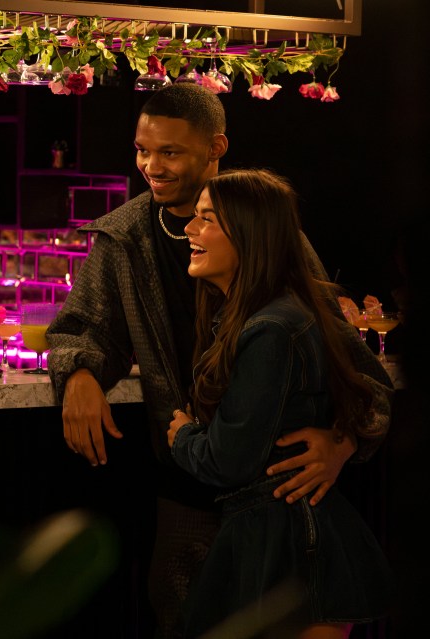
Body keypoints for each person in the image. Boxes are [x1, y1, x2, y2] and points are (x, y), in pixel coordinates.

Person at [45, 83, 392, 637]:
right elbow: (82, 330)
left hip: (278, 495)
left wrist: (344, 442)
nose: (150, 166)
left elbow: (355, 371)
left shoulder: (271, 234)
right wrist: (80, 372)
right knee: (186, 619)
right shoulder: (124, 237)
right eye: (142, 150)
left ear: (216, 148)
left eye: (170, 152)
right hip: (186, 489)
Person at [167, 168, 393, 637]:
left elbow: (227, 461)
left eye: (207, 219)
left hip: (293, 546)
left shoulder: (271, 329)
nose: (189, 228)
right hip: (278, 537)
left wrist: (183, 437)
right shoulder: (261, 315)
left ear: (249, 236)